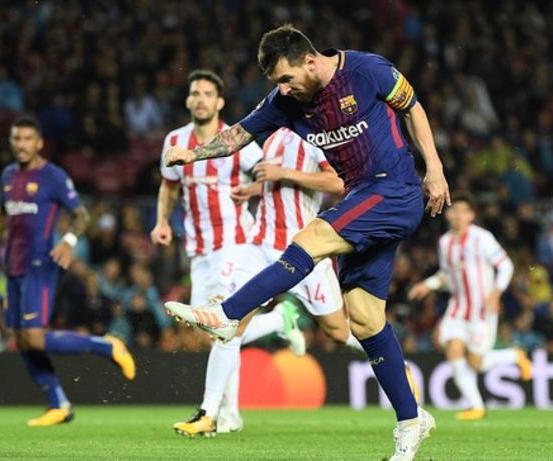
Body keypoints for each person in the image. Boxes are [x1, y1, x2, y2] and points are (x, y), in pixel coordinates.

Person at [164, 25, 449, 460]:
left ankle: (227, 315)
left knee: (311, 236)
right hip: (361, 199)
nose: (283, 88)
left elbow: (413, 108)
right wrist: (193, 154)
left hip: (394, 189)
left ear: (310, 61)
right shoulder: (286, 101)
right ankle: (412, 422)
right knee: (364, 321)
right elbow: (238, 134)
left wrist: (435, 169)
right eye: (277, 82)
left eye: (286, 78)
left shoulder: (367, 70)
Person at [150, 70, 305, 436]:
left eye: (208, 94)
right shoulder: (175, 140)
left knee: (223, 326)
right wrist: (161, 222)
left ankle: (220, 414)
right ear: (188, 100)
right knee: (214, 331)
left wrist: (253, 193)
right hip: (199, 249)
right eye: (195, 93)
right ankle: (278, 322)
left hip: (235, 243)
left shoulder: (238, 140)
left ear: (219, 102)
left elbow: (267, 175)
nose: (201, 99)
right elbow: (169, 186)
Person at [0, 116, 136, 427]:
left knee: (34, 337)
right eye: (17, 139)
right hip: (13, 266)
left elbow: (81, 214)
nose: (21, 145)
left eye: (27, 139)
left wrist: (69, 241)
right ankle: (58, 403)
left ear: (39, 143)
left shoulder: (53, 176)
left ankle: (107, 345)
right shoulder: (7, 175)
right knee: (20, 337)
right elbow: (3, 216)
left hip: (39, 265)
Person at [408, 194, 532, 420]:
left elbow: (506, 266)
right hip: (457, 308)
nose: (458, 215)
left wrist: (496, 292)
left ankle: (514, 356)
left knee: (477, 362)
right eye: (454, 210)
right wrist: (428, 285)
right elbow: (447, 276)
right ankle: (476, 406)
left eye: (463, 211)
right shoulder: (445, 242)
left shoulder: (482, 238)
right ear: (448, 214)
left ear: (471, 215)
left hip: (482, 309)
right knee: (453, 348)